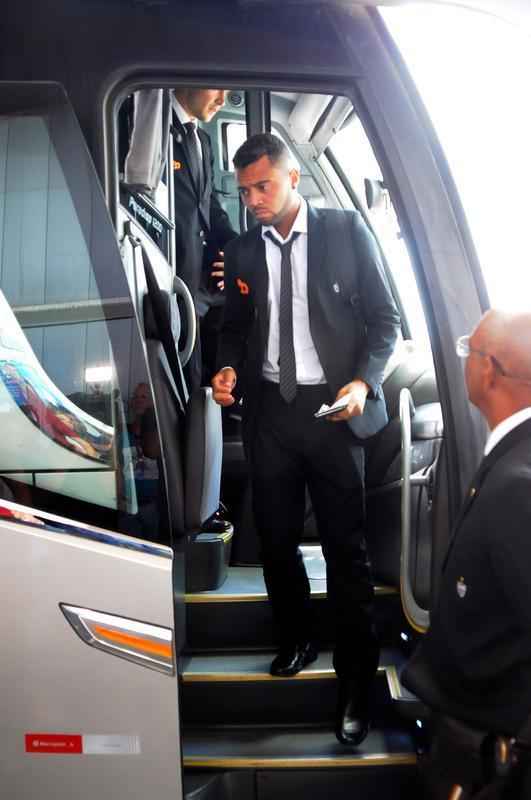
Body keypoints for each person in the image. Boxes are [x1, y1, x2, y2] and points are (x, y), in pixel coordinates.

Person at [211, 133, 400, 745]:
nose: (254, 201)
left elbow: (385, 321)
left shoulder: (345, 231)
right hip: (272, 414)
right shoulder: (241, 252)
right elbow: (234, 328)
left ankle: (353, 681)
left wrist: (364, 385)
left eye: (263, 186)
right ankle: (296, 637)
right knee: (277, 542)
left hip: (334, 410)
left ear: (294, 178)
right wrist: (229, 368)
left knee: (347, 554)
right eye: (244, 192)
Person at [402, 310, 531, 798]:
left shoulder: (518, 487)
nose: (465, 360)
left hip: (486, 762)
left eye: (468, 350)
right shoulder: (511, 455)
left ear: (489, 370)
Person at [171, 88, 238, 389]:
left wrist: (236, 253)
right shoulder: (154, 130)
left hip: (204, 277)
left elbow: (210, 209)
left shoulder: (205, 141)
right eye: (217, 87)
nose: (223, 99)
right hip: (175, 275)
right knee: (189, 378)